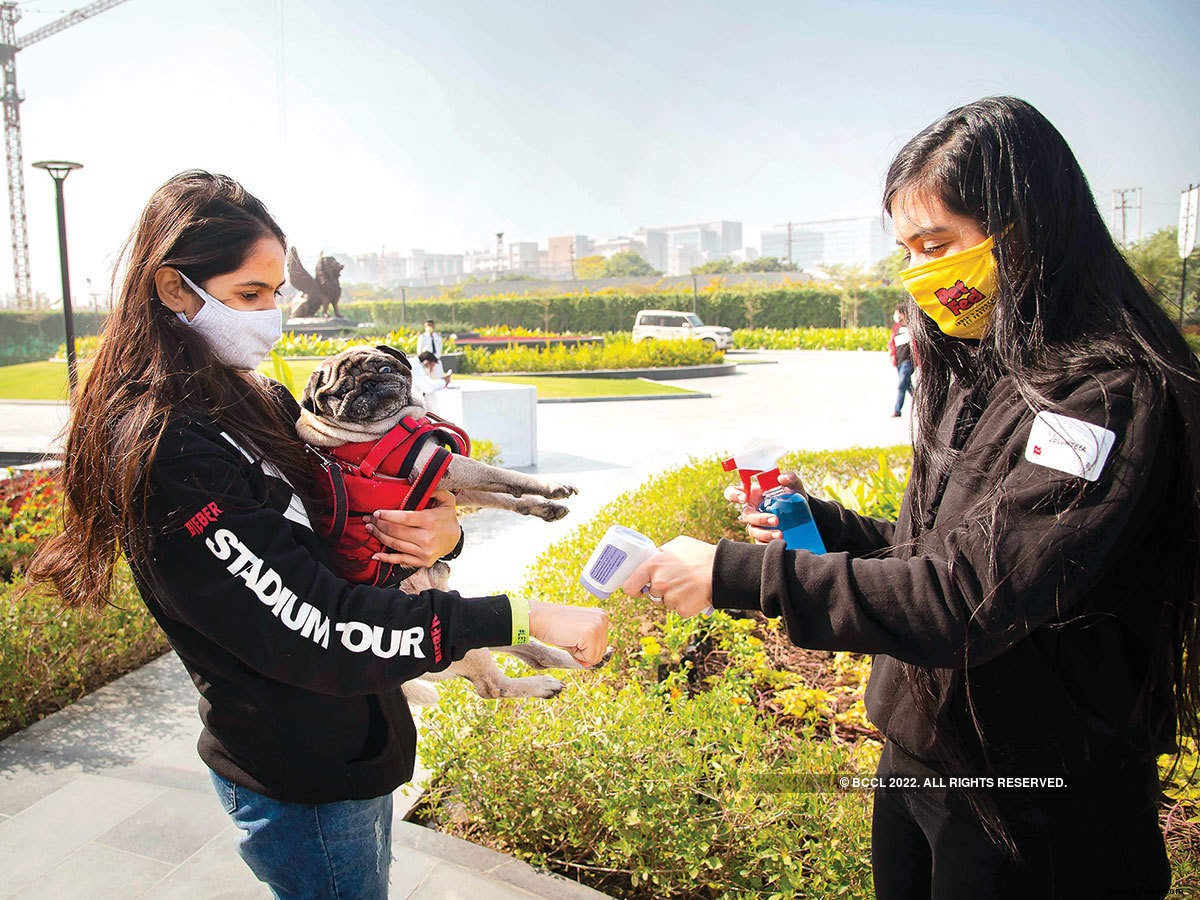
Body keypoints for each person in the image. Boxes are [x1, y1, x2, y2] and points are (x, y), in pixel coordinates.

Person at [625, 98, 1200, 899]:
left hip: (1036, 796)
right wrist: (823, 523)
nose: (923, 274)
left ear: (1030, 227)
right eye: (909, 250)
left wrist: (736, 575)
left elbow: (969, 595)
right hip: (923, 757)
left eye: (939, 245)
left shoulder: (1102, 396)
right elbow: (939, 546)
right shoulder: (984, 369)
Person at [24, 171, 609, 899]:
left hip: (356, 738)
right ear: (176, 290)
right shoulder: (171, 450)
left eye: (276, 294)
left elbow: (353, 517)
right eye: (248, 295)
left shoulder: (256, 396)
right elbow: (315, 624)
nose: (271, 315)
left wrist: (439, 534)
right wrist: (522, 616)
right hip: (300, 773)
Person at [888, 305, 917, 417]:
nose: (896, 316)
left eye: (897, 313)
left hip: (908, 361)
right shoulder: (896, 328)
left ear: (902, 314)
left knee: (901, 385)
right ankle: (921, 405)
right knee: (908, 386)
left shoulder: (912, 327)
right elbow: (892, 344)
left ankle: (897, 410)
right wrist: (892, 356)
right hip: (899, 361)